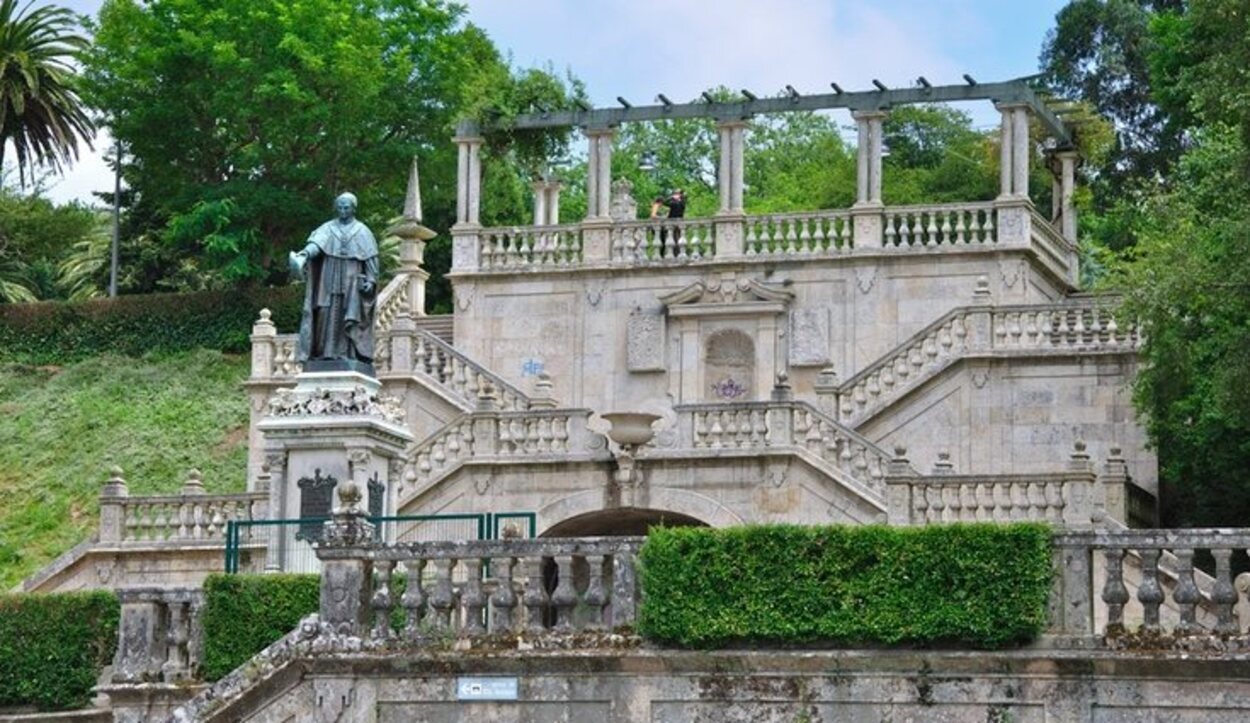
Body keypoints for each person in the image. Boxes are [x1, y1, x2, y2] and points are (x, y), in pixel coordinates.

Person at [289, 192, 380, 373]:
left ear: (353, 209)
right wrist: (304, 255)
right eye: (340, 207)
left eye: (346, 207)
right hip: (328, 277)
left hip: (352, 280)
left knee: (349, 313)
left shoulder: (363, 231)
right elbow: (316, 245)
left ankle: (347, 353)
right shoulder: (328, 228)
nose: (343, 211)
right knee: (324, 311)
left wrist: (370, 281)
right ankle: (324, 353)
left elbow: (371, 263)